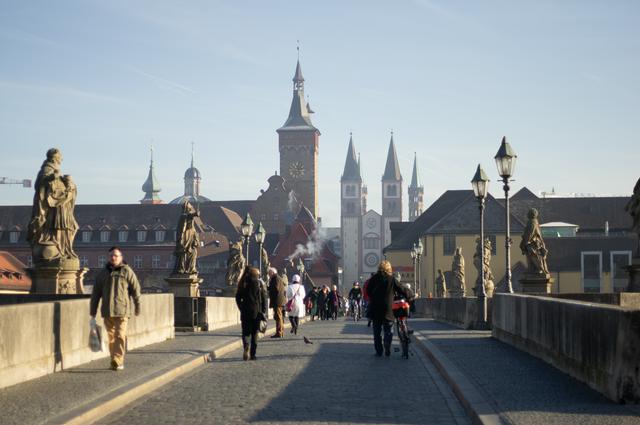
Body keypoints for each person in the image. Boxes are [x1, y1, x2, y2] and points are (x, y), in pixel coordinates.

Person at [90, 246, 141, 371]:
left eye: (116, 255)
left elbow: (136, 289)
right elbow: (95, 294)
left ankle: (118, 360)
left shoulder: (127, 271)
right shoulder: (102, 274)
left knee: (120, 335)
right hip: (107, 311)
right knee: (111, 337)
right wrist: (93, 312)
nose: (113, 257)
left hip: (122, 310)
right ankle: (114, 359)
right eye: (111, 255)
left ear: (121, 258)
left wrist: (137, 306)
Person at [367, 261, 411, 357]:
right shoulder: (392, 279)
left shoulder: (373, 278)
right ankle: (387, 344)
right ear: (389, 269)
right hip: (388, 308)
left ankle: (379, 351)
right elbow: (402, 289)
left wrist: (374, 297)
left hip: (376, 308)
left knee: (377, 332)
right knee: (389, 329)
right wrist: (410, 294)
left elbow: (368, 291)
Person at [235, 267, 268, 360]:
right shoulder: (259, 284)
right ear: (256, 275)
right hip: (256, 313)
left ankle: (246, 346)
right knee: (254, 334)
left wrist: (241, 307)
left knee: (245, 333)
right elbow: (264, 298)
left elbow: (237, 297)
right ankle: (253, 355)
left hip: (245, 312)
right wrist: (264, 311)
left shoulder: (243, 283)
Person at [267, 267, 286, 338]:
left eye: (269, 273)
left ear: (272, 273)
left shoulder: (276, 279)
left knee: (278, 317)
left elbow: (275, 288)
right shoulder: (278, 278)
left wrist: (267, 288)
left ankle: (279, 332)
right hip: (279, 301)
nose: (268, 275)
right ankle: (280, 331)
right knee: (278, 317)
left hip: (277, 301)